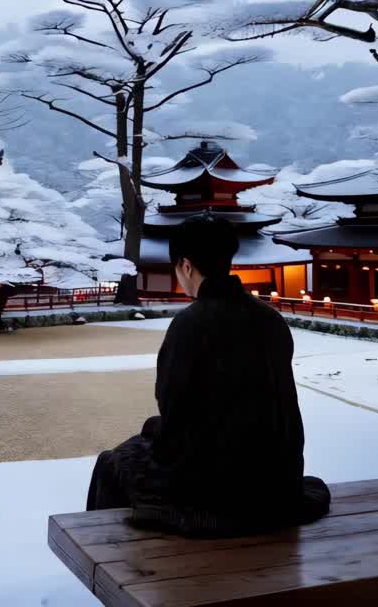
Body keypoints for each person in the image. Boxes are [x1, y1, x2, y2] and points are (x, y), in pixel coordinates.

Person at [86, 214, 330, 536]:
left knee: (113, 463)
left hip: (214, 493)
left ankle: (114, 559)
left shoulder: (190, 323)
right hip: (274, 479)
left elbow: (173, 407)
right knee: (150, 435)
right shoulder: (270, 319)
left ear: (186, 266)